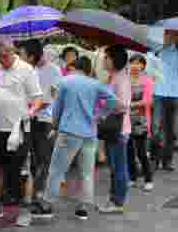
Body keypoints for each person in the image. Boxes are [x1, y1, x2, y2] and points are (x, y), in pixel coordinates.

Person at [35, 56, 116, 220]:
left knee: (57, 169)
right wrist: (100, 115)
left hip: (68, 132)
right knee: (86, 172)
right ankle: (82, 208)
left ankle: (47, 205)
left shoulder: (65, 81)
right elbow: (113, 101)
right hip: (90, 133)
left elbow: (57, 108)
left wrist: (54, 126)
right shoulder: (95, 84)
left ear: (75, 67)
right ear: (88, 69)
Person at [0, 39, 44, 228]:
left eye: (5, 55)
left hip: (19, 128)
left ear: (13, 51)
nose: (2, 60)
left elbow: (38, 98)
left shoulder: (26, 69)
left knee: (23, 169)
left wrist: (30, 112)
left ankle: (25, 210)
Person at [18, 39, 63, 221]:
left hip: (46, 121)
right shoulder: (29, 71)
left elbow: (54, 97)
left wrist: (36, 106)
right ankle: (38, 199)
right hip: (31, 120)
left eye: (22, 55)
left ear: (31, 55)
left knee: (45, 161)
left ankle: (45, 202)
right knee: (36, 161)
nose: (19, 58)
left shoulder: (53, 71)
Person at [99, 46, 132, 213]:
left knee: (118, 166)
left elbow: (124, 105)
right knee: (114, 166)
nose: (104, 60)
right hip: (111, 128)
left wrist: (108, 102)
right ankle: (113, 199)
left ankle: (118, 201)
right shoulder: (112, 78)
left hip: (118, 129)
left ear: (114, 60)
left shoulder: (121, 79)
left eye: (106, 57)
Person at [151, 30, 178, 171]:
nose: (171, 37)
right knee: (156, 127)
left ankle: (167, 160)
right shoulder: (155, 49)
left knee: (170, 130)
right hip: (158, 92)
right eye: (168, 34)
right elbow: (148, 69)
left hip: (174, 93)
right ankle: (154, 159)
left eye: (174, 35)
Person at [127, 54, 155, 191]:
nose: (135, 66)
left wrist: (130, 104)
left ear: (143, 65)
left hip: (141, 121)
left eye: (138, 63)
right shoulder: (126, 79)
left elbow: (148, 101)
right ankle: (132, 177)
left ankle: (148, 179)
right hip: (126, 120)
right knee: (129, 151)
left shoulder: (147, 80)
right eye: (132, 63)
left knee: (142, 152)